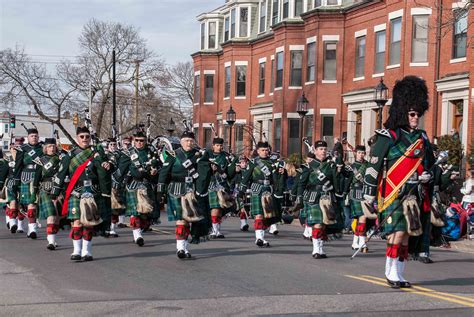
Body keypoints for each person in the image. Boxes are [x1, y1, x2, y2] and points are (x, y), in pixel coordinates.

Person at [363, 76, 435, 288]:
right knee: (398, 232)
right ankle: (390, 270)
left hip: (414, 193)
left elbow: (430, 164)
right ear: (403, 112)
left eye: (418, 114)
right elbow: (373, 165)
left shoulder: (422, 137)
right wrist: (368, 194)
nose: (416, 118)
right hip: (393, 192)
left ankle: (400, 273)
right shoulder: (389, 136)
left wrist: (428, 176)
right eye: (412, 114)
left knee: (407, 234)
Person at [51, 126, 110, 261]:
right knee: (76, 222)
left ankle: (86, 252)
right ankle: (76, 251)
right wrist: (55, 193)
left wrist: (107, 164)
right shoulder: (69, 156)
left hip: (92, 192)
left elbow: (106, 170)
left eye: (87, 137)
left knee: (88, 223)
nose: (85, 139)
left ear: (90, 138)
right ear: (77, 138)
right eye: (82, 137)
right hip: (76, 192)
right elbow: (61, 175)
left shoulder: (97, 154)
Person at [157, 130, 211, 259]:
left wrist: (200, 191)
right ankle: (180, 248)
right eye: (186, 140)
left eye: (191, 141)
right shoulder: (173, 155)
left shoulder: (199, 156)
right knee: (181, 220)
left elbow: (204, 175)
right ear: (181, 142)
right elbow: (163, 174)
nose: (189, 143)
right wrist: (160, 191)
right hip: (176, 189)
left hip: (192, 190)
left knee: (189, 221)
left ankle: (185, 247)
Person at [239, 141, 286, 248]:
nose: (265, 152)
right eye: (262, 150)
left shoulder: (273, 162)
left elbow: (277, 178)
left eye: (266, 150)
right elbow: (246, 177)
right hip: (257, 189)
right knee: (259, 214)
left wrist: (283, 172)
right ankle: (259, 238)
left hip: (269, 190)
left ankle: (261, 236)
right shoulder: (253, 163)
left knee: (267, 216)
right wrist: (242, 190)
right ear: (258, 151)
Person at [296, 140, 338, 259]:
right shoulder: (309, 166)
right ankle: (316, 249)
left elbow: (336, 182)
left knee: (324, 223)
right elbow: (301, 183)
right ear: (315, 151)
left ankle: (320, 248)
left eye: (325, 149)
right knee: (318, 223)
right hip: (314, 196)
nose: (323, 151)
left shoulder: (331, 166)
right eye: (320, 149)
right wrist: (299, 197)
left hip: (327, 196)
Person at [117, 132, 159, 246]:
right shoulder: (128, 153)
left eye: (142, 140)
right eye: (137, 140)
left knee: (145, 214)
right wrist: (117, 185)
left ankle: (139, 231)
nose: (139, 143)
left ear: (145, 141)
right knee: (135, 212)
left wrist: (155, 171)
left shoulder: (151, 152)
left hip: (146, 185)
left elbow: (158, 166)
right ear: (133, 141)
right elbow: (121, 170)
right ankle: (137, 236)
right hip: (132, 185)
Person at [12, 128, 43, 239]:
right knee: (28, 204)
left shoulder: (43, 148)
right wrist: (16, 181)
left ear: (38, 137)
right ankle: (31, 229)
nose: (34, 137)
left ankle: (32, 229)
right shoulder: (23, 149)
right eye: (32, 136)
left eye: (35, 136)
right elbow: (18, 166)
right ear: (28, 137)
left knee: (33, 204)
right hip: (26, 177)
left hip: (39, 177)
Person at [32, 138, 61, 250]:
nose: (52, 148)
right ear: (45, 148)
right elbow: (37, 177)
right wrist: (34, 192)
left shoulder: (60, 159)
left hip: (59, 189)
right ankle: (51, 242)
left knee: (57, 218)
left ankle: (53, 237)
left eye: (53, 146)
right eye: (49, 146)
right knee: (51, 215)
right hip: (46, 189)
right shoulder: (41, 160)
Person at [206, 137, 236, 239]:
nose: (219, 147)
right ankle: (214, 230)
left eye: (221, 145)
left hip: (222, 185)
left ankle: (217, 230)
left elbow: (229, 173)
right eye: (217, 145)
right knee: (215, 208)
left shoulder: (226, 157)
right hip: (211, 185)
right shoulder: (207, 155)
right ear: (213, 146)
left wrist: (235, 167)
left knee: (220, 209)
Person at [347, 145, 370, 252]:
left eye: (363, 153)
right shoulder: (351, 166)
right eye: (359, 152)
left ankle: (355, 242)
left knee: (361, 218)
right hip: (355, 192)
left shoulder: (367, 165)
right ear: (356, 153)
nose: (361, 155)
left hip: (365, 192)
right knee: (362, 216)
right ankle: (361, 243)